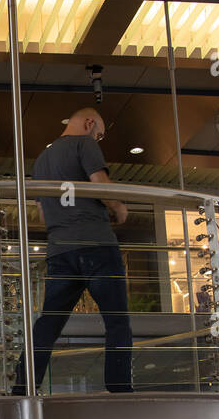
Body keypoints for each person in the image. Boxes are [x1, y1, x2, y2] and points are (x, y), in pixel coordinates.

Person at [12, 107, 132, 394]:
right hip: (97, 245)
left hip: (59, 251)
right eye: (100, 133)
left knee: (49, 323)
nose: (99, 139)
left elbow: (42, 213)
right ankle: (119, 390)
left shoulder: (41, 160)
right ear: (89, 123)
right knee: (116, 322)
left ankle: (24, 385)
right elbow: (101, 186)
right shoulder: (84, 144)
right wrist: (120, 208)